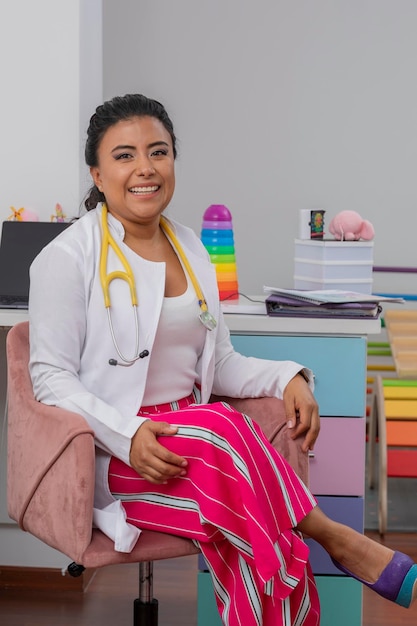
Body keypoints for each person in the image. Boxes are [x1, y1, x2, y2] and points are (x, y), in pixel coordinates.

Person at [28, 93, 417, 626]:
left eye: (158, 152)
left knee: (252, 521)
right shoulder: (67, 257)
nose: (145, 168)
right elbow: (49, 378)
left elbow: (221, 360)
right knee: (227, 435)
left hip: (207, 451)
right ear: (97, 173)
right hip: (123, 457)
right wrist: (126, 434)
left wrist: (289, 378)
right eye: (124, 156)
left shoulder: (191, 246)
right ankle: (333, 537)